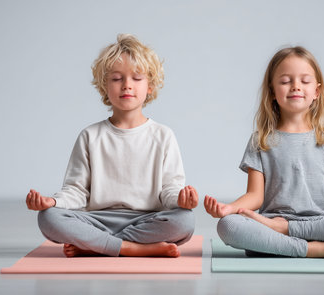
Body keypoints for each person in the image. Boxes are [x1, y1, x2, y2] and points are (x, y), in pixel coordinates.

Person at [204, 46, 324, 259]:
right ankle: (314, 250)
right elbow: (255, 196)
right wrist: (229, 209)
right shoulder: (261, 139)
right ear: (273, 91)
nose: (295, 87)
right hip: (271, 222)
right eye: (285, 81)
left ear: (317, 92)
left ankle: (284, 239)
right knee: (228, 225)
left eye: (305, 81)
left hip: (319, 225)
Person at [26, 34, 198, 258]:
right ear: (104, 86)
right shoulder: (90, 136)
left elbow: (169, 190)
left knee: (185, 220)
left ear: (150, 86)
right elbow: (76, 191)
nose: (127, 85)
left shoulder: (163, 136)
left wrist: (181, 200)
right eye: (117, 78)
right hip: (97, 219)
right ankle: (132, 249)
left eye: (136, 78)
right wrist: (53, 201)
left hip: (145, 219)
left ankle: (95, 246)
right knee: (48, 217)